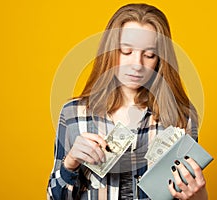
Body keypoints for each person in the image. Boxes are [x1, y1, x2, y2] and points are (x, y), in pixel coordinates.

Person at [47, 3, 208, 200]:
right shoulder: (73, 115)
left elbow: (187, 193)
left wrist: (199, 196)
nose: (137, 65)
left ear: (160, 59)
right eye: (126, 51)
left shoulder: (182, 118)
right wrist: (70, 163)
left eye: (149, 55)